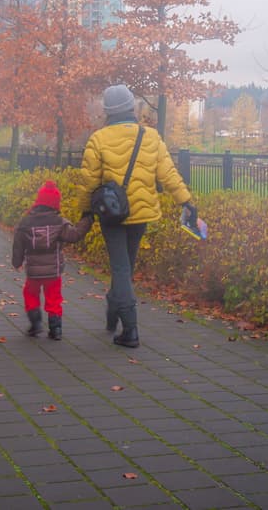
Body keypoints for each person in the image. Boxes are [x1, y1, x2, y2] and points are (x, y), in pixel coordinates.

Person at [78, 84, 196, 348]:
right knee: (125, 268)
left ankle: (130, 330)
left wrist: (85, 211)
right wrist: (186, 201)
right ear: (132, 107)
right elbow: (168, 174)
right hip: (141, 214)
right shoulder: (151, 137)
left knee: (120, 268)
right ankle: (113, 310)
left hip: (111, 215)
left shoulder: (98, 139)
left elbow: (88, 181)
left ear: (108, 112)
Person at [12, 179, 91, 340]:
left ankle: (36, 323)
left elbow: (18, 244)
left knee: (30, 294)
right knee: (54, 297)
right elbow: (75, 235)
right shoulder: (59, 223)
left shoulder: (26, 222)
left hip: (33, 271)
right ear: (55, 204)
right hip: (53, 271)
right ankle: (56, 330)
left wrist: (17, 262)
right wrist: (87, 219)